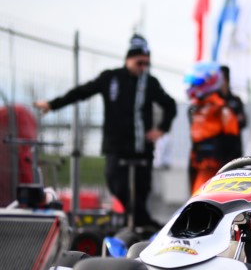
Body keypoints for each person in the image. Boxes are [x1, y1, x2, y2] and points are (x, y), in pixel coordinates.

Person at [34, 34, 177, 231]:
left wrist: (161, 129)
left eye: (147, 63)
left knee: (142, 191)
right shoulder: (110, 78)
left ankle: (139, 227)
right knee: (116, 184)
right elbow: (82, 92)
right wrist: (52, 104)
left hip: (142, 148)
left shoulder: (150, 83)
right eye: (140, 62)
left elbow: (170, 105)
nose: (143, 67)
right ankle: (142, 222)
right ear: (129, 59)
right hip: (116, 147)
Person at [185, 62, 241, 194]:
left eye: (196, 84)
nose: (192, 88)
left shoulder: (222, 108)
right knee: (196, 199)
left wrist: (227, 172)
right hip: (198, 165)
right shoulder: (194, 109)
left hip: (216, 168)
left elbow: (233, 144)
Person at [218, 65, 247, 159]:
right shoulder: (214, 101)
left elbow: (243, 122)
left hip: (234, 148)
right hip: (218, 150)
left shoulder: (236, 100)